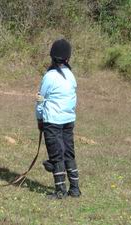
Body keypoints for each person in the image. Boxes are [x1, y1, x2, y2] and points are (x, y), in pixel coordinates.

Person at [35, 39, 81, 200]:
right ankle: (75, 189)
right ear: (67, 58)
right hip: (68, 120)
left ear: (52, 57)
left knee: (56, 156)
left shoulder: (50, 76)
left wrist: (39, 118)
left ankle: (60, 190)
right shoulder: (71, 76)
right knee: (69, 153)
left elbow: (40, 99)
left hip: (52, 121)